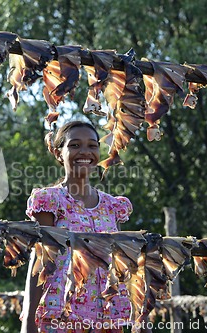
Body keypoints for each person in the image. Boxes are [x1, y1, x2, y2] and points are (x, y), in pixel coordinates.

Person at [20, 120, 133, 333]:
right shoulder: (50, 201)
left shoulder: (112, 206)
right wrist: (28, 322)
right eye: (74, 145)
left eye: (92, 145)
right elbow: (39, 263)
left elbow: (119, 266)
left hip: (106, 317)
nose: (85, 152)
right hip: (61, 315)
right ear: (58, 153)